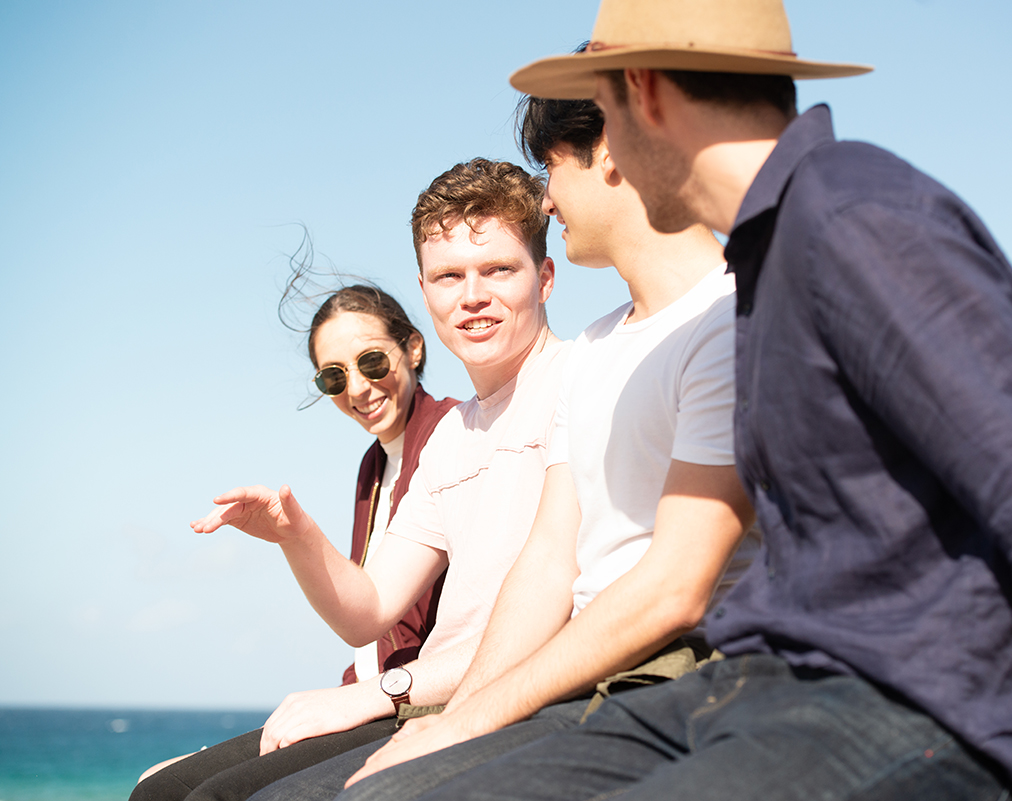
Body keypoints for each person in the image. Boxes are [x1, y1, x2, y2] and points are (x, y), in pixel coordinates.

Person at [366, 2, 1012, 800]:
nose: (561, 187)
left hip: (913, 706)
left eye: (603, 113)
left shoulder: (855, 216)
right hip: (753, 683)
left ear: (645, 92)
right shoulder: (768, 259)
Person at [243, 93, 758, 801]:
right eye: (450, 277)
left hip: (666, 677)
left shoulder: (713, 324)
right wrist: (295, 533)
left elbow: (669, 587)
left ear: (610, 157)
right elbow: (544, 566)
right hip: (550, 684)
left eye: (550, 166)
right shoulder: (603, 348)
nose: (548, 198)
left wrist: (431, 712)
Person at [131, 157, 570, 801]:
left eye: (498, 269)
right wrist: (293, 533)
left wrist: (375, 694)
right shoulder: (450, 441)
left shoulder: (581, 381)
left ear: (546, 277)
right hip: (426, 701)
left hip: (490, 703)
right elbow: (368, 612)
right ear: (427, 293)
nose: (472, 296)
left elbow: (558, 607)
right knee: (164, 792)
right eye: (450, 276)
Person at [130, 281, 458, 793]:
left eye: (371, 362)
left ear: (413, 347)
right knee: (159, 782)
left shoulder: (452, 436)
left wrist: (296, 534)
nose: (358, 388)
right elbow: (363, 621)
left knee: (186, 792)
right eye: (334, 377)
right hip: (365, 698)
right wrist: (290, 537)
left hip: (406, 703)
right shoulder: (373, 467)